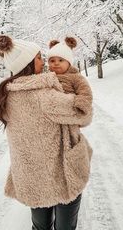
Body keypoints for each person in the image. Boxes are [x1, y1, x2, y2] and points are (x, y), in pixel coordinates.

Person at [0, 35, 93, 230]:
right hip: (61, 174)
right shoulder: (43, 95)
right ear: (28, 63)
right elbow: (84, 115)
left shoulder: (7, 94)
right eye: (39, 57)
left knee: (40, 226)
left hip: (30, 175)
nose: (44, 61)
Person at [47, 37, 93, 192]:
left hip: (70, 120)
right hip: (51, 121)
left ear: (69, 62)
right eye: (52, 60)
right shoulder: (47, 77)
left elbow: (85, 93)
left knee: (71, 150)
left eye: (60, 60)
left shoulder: (76, 77)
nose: (56, 63)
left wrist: (81, 104)